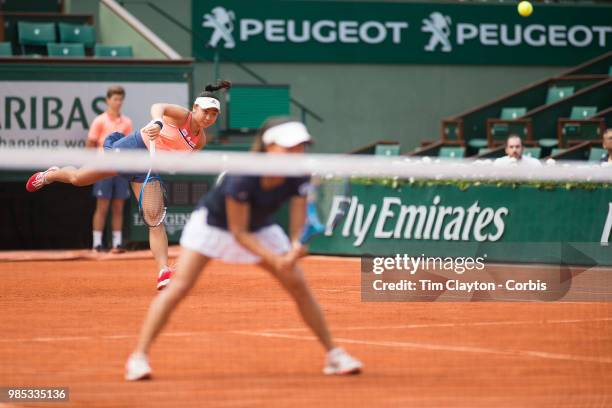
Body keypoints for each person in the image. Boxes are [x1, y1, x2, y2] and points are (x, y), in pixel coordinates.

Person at [124, 118, 363, 381]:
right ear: (269, 147)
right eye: (289, 148)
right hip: (214, 227)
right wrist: (274, 258)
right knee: (179, 287)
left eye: (300, 147)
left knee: (299, 286)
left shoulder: (299, 175)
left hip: (261, 227)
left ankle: (333, 354)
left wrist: (296, 247)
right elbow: (238, 233)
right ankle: (138, 357)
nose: (296, 154)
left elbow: (298, 226)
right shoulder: (243, 177)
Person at [25, 80, 231, 290]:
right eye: (205, 111)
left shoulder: (200, 140)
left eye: (213, 114)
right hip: (132, 148)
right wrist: (157, 123)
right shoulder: (182, 115)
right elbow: (158, 107)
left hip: (147, 167)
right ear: (195, 108)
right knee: (78, 179)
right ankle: (50, 175)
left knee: (154, 219)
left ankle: (163, 271)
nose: (208, 117)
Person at [87, 85, 133, 253]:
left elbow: (129, 146)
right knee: (102, 207)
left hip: (120, 170)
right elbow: (90, 144)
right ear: (108, 100)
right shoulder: (99, 121)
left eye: (120, 99)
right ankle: (97, 244)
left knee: (118, 207)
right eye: (115, 99)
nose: (118, 102)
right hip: (103, 169)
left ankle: (117, 243)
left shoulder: (127, 122)